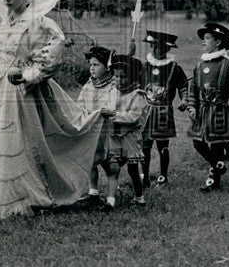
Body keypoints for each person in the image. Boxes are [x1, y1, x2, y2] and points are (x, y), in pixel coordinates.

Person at [0, 0, 105, 222]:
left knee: (18, 141)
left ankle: (23, 198)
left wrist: (30, 74)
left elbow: (51, 51)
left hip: (20, 89)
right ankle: (8, 196)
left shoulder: (38, 22)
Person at [186, 22, 229, 192]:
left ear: (218, 42)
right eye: (203, 38)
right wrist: (192, 107)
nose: (203, 41)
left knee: (216, 145)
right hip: (202, 111)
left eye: (207, 38)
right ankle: (217, 164)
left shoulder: (227, 64)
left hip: (219, 111)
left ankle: (214, 181)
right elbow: (193, 89)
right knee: (197, 142)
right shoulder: (199, 66)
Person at [140, 29, 188, 187]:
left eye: (158, 47)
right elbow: (137, 84)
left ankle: (163, 176)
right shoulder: (145, 65)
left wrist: (185, 99)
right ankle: (144, 176)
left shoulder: (174, 68)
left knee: (162, 145)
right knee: (145, 145)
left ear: (167, 49)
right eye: (152, 46)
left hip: (163, 111)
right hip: (147, 111)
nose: (154, 50)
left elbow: (183, 85)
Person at [101, 54, 149, 211]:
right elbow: (107, 107)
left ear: (132, 77)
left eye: (123, 77)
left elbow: (133, 118)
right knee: (113, 167)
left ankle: (139, 197)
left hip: (130, 137)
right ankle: (110, 201)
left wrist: (112, 114)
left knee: (133, 169)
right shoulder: (112, 92)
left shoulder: (138, 95)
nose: (119, 80)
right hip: (114, 136)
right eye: (116, 76)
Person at [76, 46, 119, 206]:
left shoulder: (113, 87)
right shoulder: (88, 86)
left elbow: (114, 106)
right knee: (91, 160)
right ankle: (93, 192)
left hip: (107, 130)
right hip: (91, 129)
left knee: (110, 164)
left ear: (107, 67)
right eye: (90, 65)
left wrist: (106, 112)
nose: (92, 68)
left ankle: (111, 197)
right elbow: (80, 104)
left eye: (96, 65)